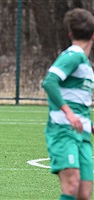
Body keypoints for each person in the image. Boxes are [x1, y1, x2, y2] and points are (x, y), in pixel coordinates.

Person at [42, 8, 94, 200]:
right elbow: (49, 81)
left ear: (71, 34)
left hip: (82, 134)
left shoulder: (85, 65)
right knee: (71, 186)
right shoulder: (74, 55)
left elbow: (79, 102)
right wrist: (69, 114)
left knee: (84, 194)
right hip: (63, 131)